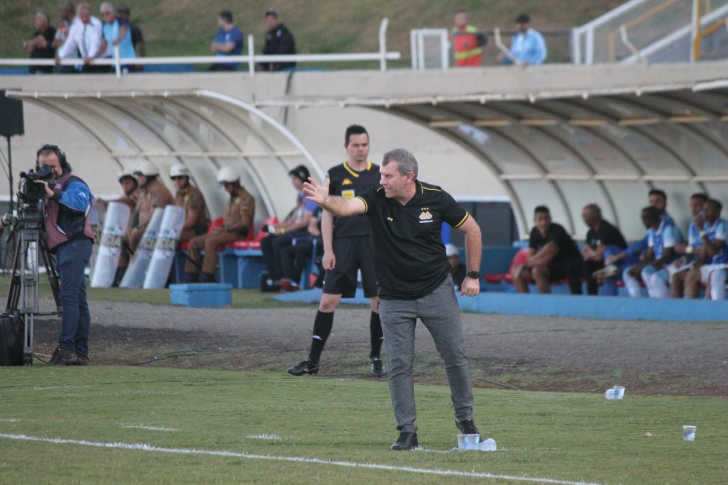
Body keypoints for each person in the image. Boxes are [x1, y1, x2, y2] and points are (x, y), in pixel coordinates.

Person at [303, 148, 483, 451]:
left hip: (437, 290)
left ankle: (466, 421)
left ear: (408, 177)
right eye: (382, 175)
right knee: (399, 364)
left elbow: (472, 229)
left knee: (455, 357)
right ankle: (407, 432)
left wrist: (473, 275)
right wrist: (326, 201)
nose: (381, 180)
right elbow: (346, 207)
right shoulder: (375, 197)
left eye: (388, 176)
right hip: (393, 297)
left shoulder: (436, 197)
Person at [287, 125, 385, 378]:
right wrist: (328, 249)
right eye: (355, 145)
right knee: (328, 301)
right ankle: (313, 360)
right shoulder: (336, 174)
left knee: (378, 303)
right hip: (342, 245)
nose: (361, 149)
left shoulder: (379, 175)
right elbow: (327, 216)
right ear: (346, 147)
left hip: (373, 245)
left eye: (364, 144)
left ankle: (376, 356)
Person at [37, 145, 94, 365]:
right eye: (44, 165)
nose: (48, 170)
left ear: (61, 164)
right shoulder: (44, 187)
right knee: (78, 300)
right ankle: (80, 352)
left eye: (52, 165)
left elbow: (80, 203)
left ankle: (67, 348)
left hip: (75, 243)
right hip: (65, 246)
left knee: (69, 298)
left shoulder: (73, 182)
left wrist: (53, 193)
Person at [186, 167, 255, 283]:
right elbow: (229, 219)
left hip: (237, 233)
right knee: (194, 242)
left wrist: (226, 229)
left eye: (226, 185)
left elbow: (244, 222)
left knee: (211, 242)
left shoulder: (246, 199)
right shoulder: (232, 198)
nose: (225, 189)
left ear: (234, 183)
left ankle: (208, 276)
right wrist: (221, 228)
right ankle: (192, 276)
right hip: (226, 231)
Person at [115, 161, 173, 285]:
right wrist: (130, 227)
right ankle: (123, 274)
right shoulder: (143, 191)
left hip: (157, 229)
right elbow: (136, 212)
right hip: (145, 228)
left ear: (149, 176)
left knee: (135, 236)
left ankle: (136, 274)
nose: (138, 179)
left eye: (140, 176)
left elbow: (154, 216)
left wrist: (137, 228)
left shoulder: (159, 192)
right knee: (121, 237)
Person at [260, 165, 317, 283]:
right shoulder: (301, 196)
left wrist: (285, 231)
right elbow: (293, 219)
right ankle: (273, 273)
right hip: (296, 230)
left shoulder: (311, 195)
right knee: (266, 241)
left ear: (302, 179)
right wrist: (278, 227)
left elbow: (304, 222)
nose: (293, 182)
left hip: (305, 231)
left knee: (278, 242)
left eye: (294, 179)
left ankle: (283, 277)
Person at [512, 206, 583, 295]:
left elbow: (547, 257)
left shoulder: (557, 231)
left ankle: (545, 304)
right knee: (516, 272)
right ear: (535, 221)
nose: (543, 223)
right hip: (551, 266)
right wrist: (527, 264)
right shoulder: (534, 231)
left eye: (546, 219)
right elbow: (531, 255)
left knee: (537, 271)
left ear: (550, 219)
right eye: (540, 219)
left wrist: (527, 264)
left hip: (567, 265)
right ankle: (525, 304)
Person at [618, 206, 677, 298]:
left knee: (646, 271)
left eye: (643, 219)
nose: (643, 222)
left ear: (648, 219)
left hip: (670, 264)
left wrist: (643, 266)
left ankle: (661, 300)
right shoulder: (651, 231)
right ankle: (637, 300)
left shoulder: (667, 229)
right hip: (657, 264)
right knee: (627, 272)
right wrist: (638, 266)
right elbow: (649, 255)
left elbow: (667, 257)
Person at [681, 199, 727, 300]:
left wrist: (701, 231)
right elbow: (703, 254)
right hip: (713, 265)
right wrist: (692, 265)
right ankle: (688, 307)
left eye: (708, 209)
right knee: (691, 275)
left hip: (724, 265)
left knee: (715, 275)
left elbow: (712, 251)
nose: (705, 212)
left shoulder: (722, 225)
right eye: (704, 209)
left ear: (717, 212)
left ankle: (714, 309)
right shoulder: (706, 227)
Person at [580, 204, 627, 296]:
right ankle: (590, 297)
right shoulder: (590, 232)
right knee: (585, 265)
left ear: (593, 216)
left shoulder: (608, 230)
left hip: (616, 262)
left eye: (585, 216)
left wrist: (592, 254)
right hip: (599, 262)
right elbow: (585, 253)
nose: (584, 219)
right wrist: (595, 254)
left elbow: (602, 255)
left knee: (590, 266)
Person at [671, 193, 709, 298]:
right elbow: (690, 252)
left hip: (709, 263)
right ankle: (675, 309)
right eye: (691, 205)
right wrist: (682, 260)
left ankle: (689, 307)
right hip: (697, 262)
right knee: (676, 277)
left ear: (706, 207)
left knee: (689, 275)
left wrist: (691, 264)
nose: (693, 209)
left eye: (697, 205)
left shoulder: (712, 225)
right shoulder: (693, 226)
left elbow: (706, 254)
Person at [279, 205, 324, 291]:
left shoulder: (333, 209)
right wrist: (320, 235)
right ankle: (290, 279)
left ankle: (295, 281)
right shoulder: (319, 209)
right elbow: (311, 227)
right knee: (286, 251)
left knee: (300, 249)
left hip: (325, 244)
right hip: (315, 240)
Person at [55, 3, 107, 74]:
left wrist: (91, 56)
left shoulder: (96, 24)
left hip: (97, 59)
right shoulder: (74, 26)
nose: (85, 18)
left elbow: (95, 41)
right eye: (82, 15)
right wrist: (61, 55)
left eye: (87, 15)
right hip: (85, 60)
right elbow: (69, 43)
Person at [170, 164, 209, 244]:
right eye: (174, 178)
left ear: (186, 178)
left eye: (180, 178)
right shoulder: (178, 195)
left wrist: (174, 228)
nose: (177, 181)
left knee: (170, 237)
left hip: (195, 230)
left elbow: (191, 221)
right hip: (183, 229)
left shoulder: (194, 194)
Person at [100, 2, 136, 74]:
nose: (105, 16)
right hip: (115, 62)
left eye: (107, 13)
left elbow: (123, 30)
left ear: (114, 13)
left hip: (127, 61)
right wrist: (93, 57)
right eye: (103, 14)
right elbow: (103, 44)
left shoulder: (120, 20)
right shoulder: (105, 26)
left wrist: (118, 40)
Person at [52, 2, 79, 73]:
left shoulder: (78, 23)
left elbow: (72, 41)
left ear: (68, 11)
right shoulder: (63, 24)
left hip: (73, 60)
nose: (60, 14)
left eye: (62, 11)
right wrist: (63, 42)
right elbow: (55, 42)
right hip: (61, 59)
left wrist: (64, 30)